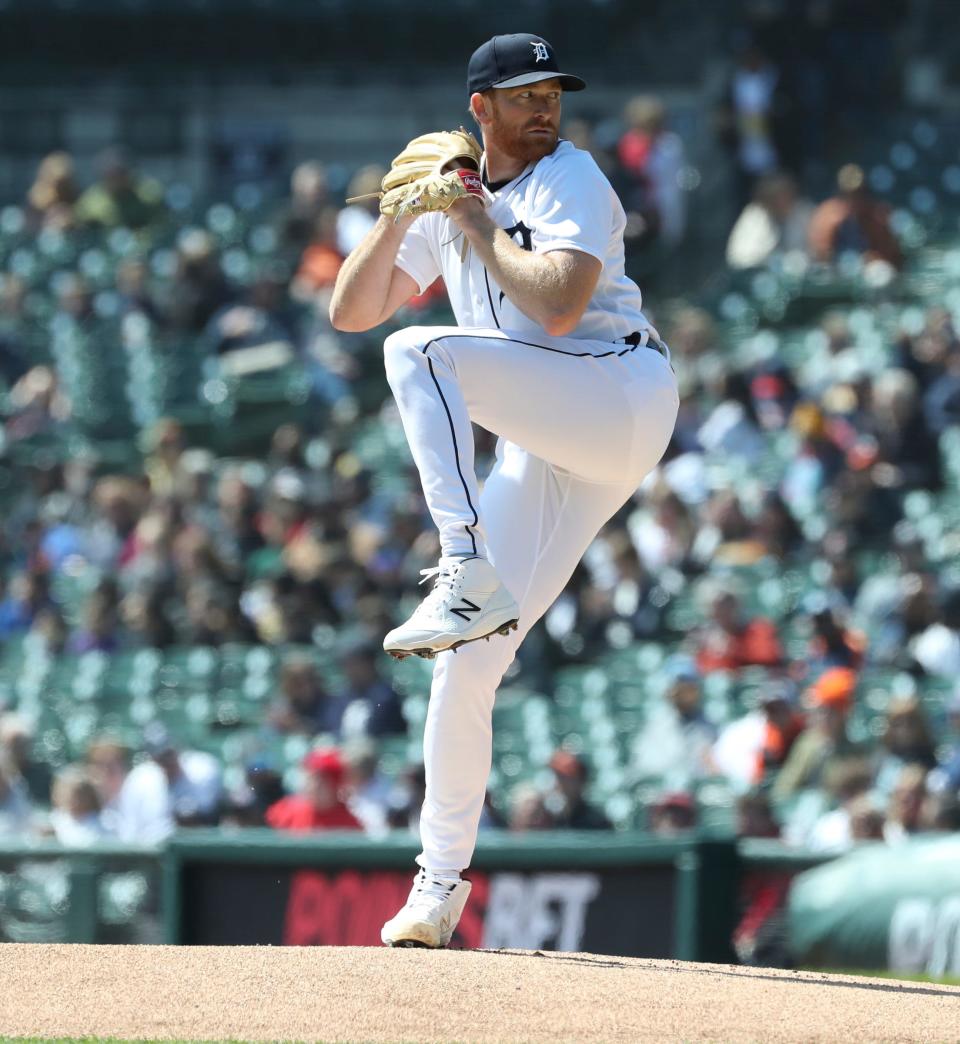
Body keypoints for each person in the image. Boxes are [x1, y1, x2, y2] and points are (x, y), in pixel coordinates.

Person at [329, 32, 678, 949]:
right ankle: (437, 888)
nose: (544, 105)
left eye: (552, 89)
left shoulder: (573, 177)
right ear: (480, 108)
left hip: (616, 394)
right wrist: (403, 216)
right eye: (523, 93)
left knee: (422, 350)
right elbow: (351, 311)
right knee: (466, 666)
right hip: (543, 434)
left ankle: (462, 562)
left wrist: (475, 219)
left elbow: (557, 305)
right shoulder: (452, 201)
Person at [265, 748, 363, 832]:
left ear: (335, 785)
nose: (313, 786)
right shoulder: (284, 811)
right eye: (310, 778)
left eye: (321, 781)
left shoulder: (349, 824)